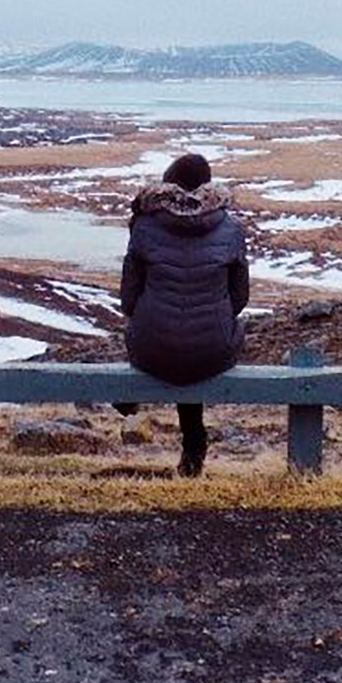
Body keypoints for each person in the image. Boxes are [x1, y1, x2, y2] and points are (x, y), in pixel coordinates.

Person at [118, 152, 249, 476]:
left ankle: (130, 403)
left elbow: (128, 300)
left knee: (163, 338)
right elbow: (239, 298)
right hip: (213, 351)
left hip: (152, 350)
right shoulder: (231, 228)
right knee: (197, 344)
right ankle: (193, 442)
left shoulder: (144, 225)